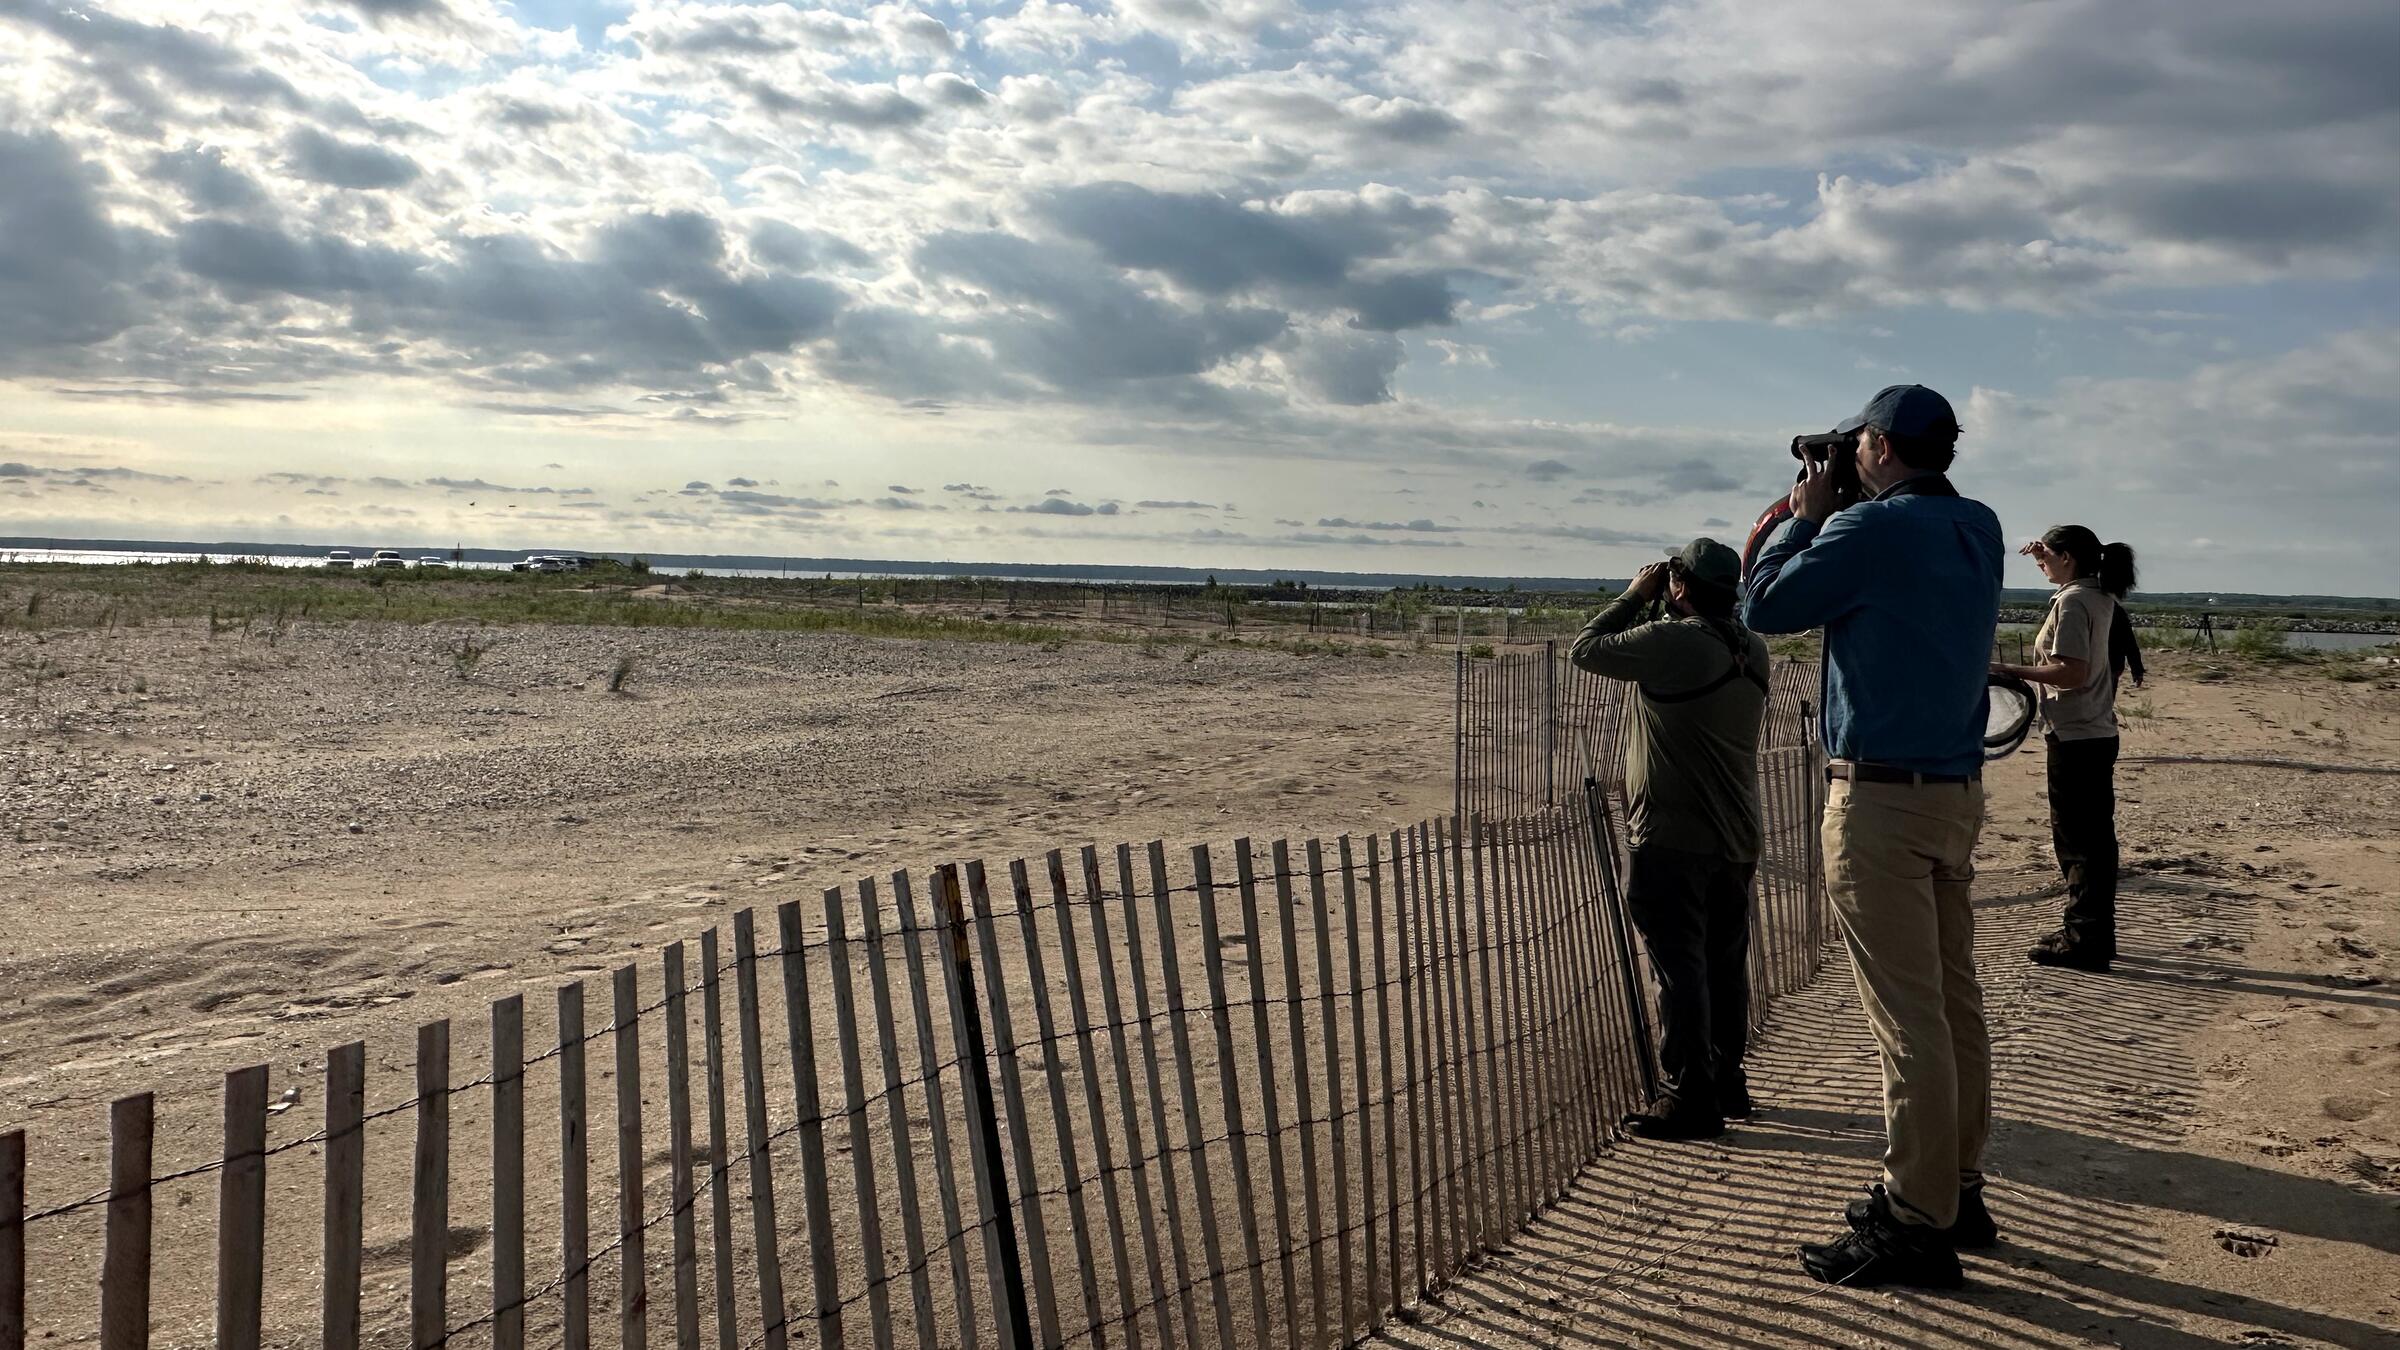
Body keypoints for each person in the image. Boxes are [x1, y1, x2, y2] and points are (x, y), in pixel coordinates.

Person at [1743, 385, 2003, 1288]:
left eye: (1856, 445)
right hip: (1954, 793)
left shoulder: (1867, 533)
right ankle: (1955, 1186)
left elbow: (1764, 608)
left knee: (1908, 1021)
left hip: (1880, 803)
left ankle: (1914, 1220)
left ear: (1883, 447)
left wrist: (1802, 518)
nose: (1846, 457)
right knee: (1953, 1000)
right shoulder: (1980, 526)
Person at [1569, 539, 1770, 1140]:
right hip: (1736, 835)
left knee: (1680, 971)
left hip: (1673, 835)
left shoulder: (1677, 642)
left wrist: (1635, 594)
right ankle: (1726, 1081)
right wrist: (1671, 601)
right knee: (1723, 967)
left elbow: (1586, 650)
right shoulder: (1749, 645)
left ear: (1679, 587)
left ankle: (1689, 1099)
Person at [1993, 527, 2139, 972]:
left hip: (2076, 735)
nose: (2040, 563)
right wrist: (2049, 554)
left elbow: (2071, 672)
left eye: (2046, 558)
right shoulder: (2099, 594)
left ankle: (2085, 941)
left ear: (2069, 558)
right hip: (2094, 733)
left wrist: (2004, 668)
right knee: (2093, 841)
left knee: (2079, 845)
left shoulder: (2074, 602)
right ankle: (2088, 931)